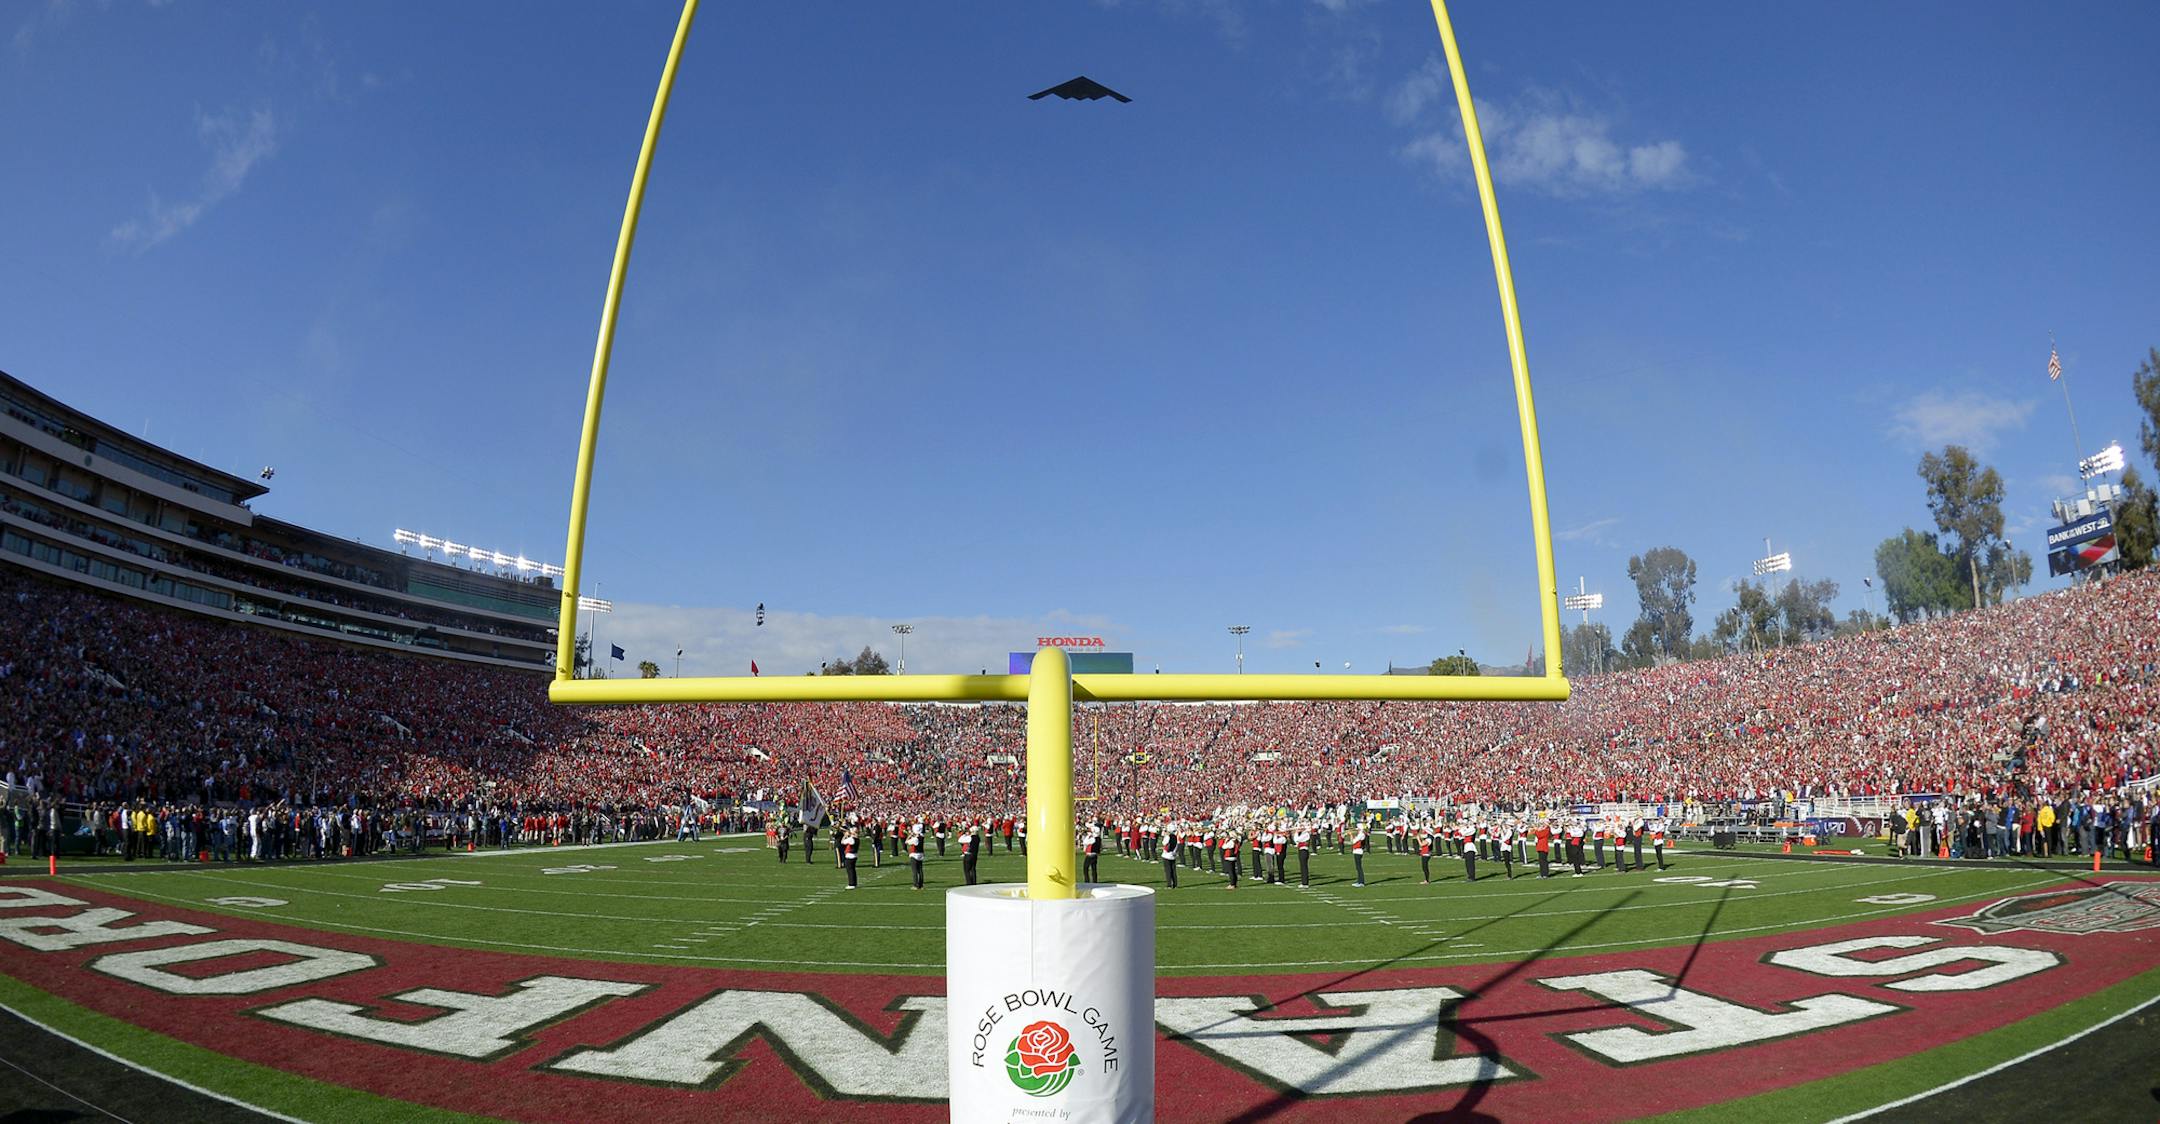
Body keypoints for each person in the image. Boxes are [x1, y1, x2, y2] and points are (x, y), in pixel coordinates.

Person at [907, 824, 925, 891]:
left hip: (914, 855)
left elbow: (907, 842)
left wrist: (910, 836)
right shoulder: (922, 836)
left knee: (915, 871)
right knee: (920, 871)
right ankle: (921, 885)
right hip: (921, 854)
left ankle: (915, 885)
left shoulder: (915, 839)